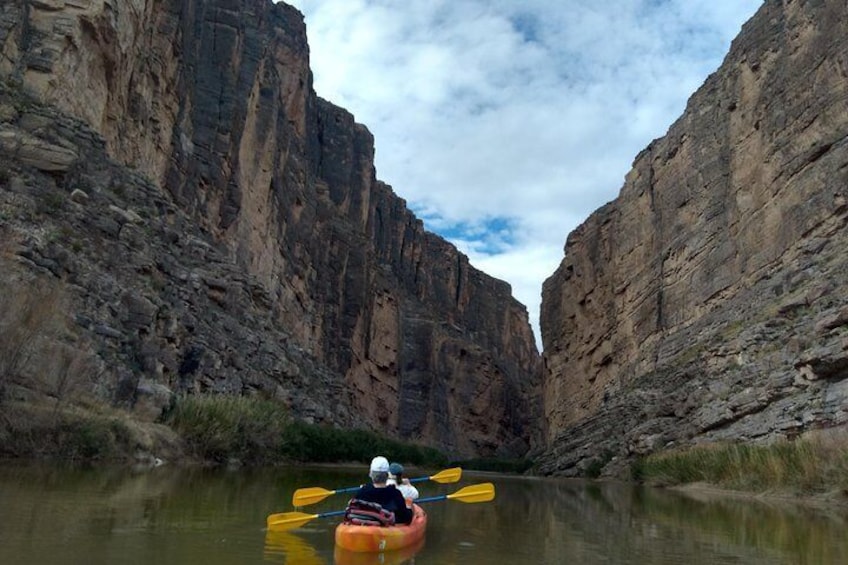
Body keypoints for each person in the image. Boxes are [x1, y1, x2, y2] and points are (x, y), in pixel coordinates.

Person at [352, 456, 413, 525]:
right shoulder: (395, 493)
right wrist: (408, 506)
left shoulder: (361, 492)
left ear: (370, 474)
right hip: (387, 531)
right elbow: (406, 518)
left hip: (364, 528)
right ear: (387, 475)